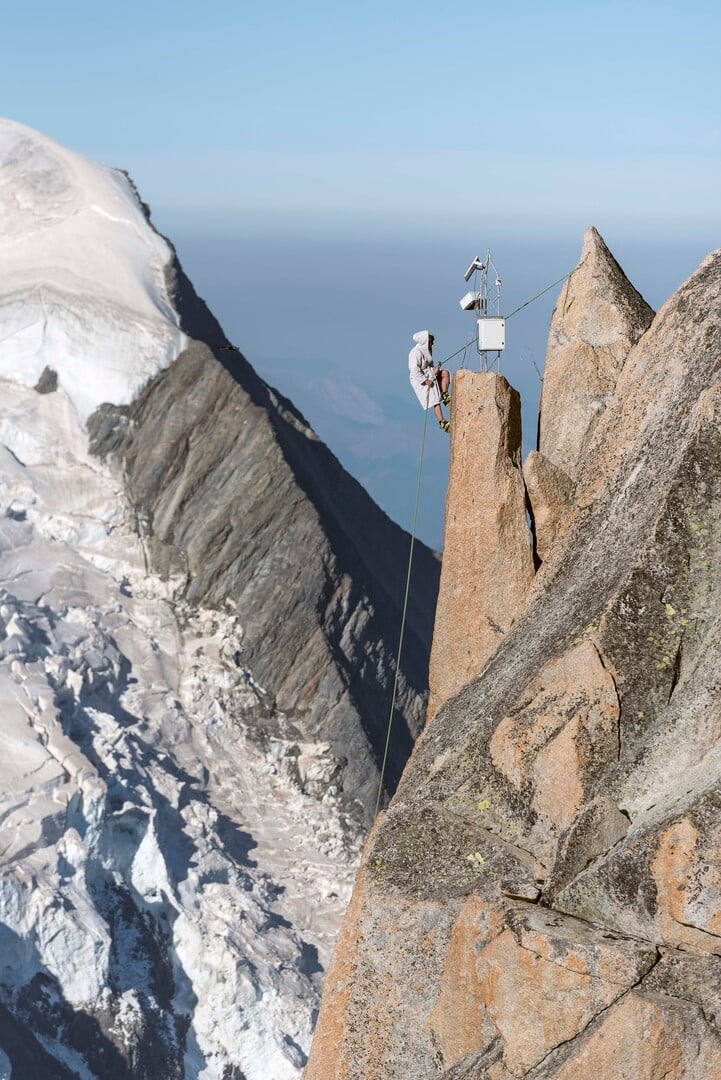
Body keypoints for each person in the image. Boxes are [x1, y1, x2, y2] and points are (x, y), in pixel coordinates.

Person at [408, 330, 451, 432]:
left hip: (429, 374)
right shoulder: (415, 353)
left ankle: (445, 395)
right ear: (425, 341)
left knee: (445, 373)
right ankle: (442, 422)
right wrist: (425, 380)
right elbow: (414, 370)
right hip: (421, 380)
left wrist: (434, 371)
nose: (432, 344)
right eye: (431, 341)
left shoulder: (426, 351)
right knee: (434, 398)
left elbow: (428, 366)